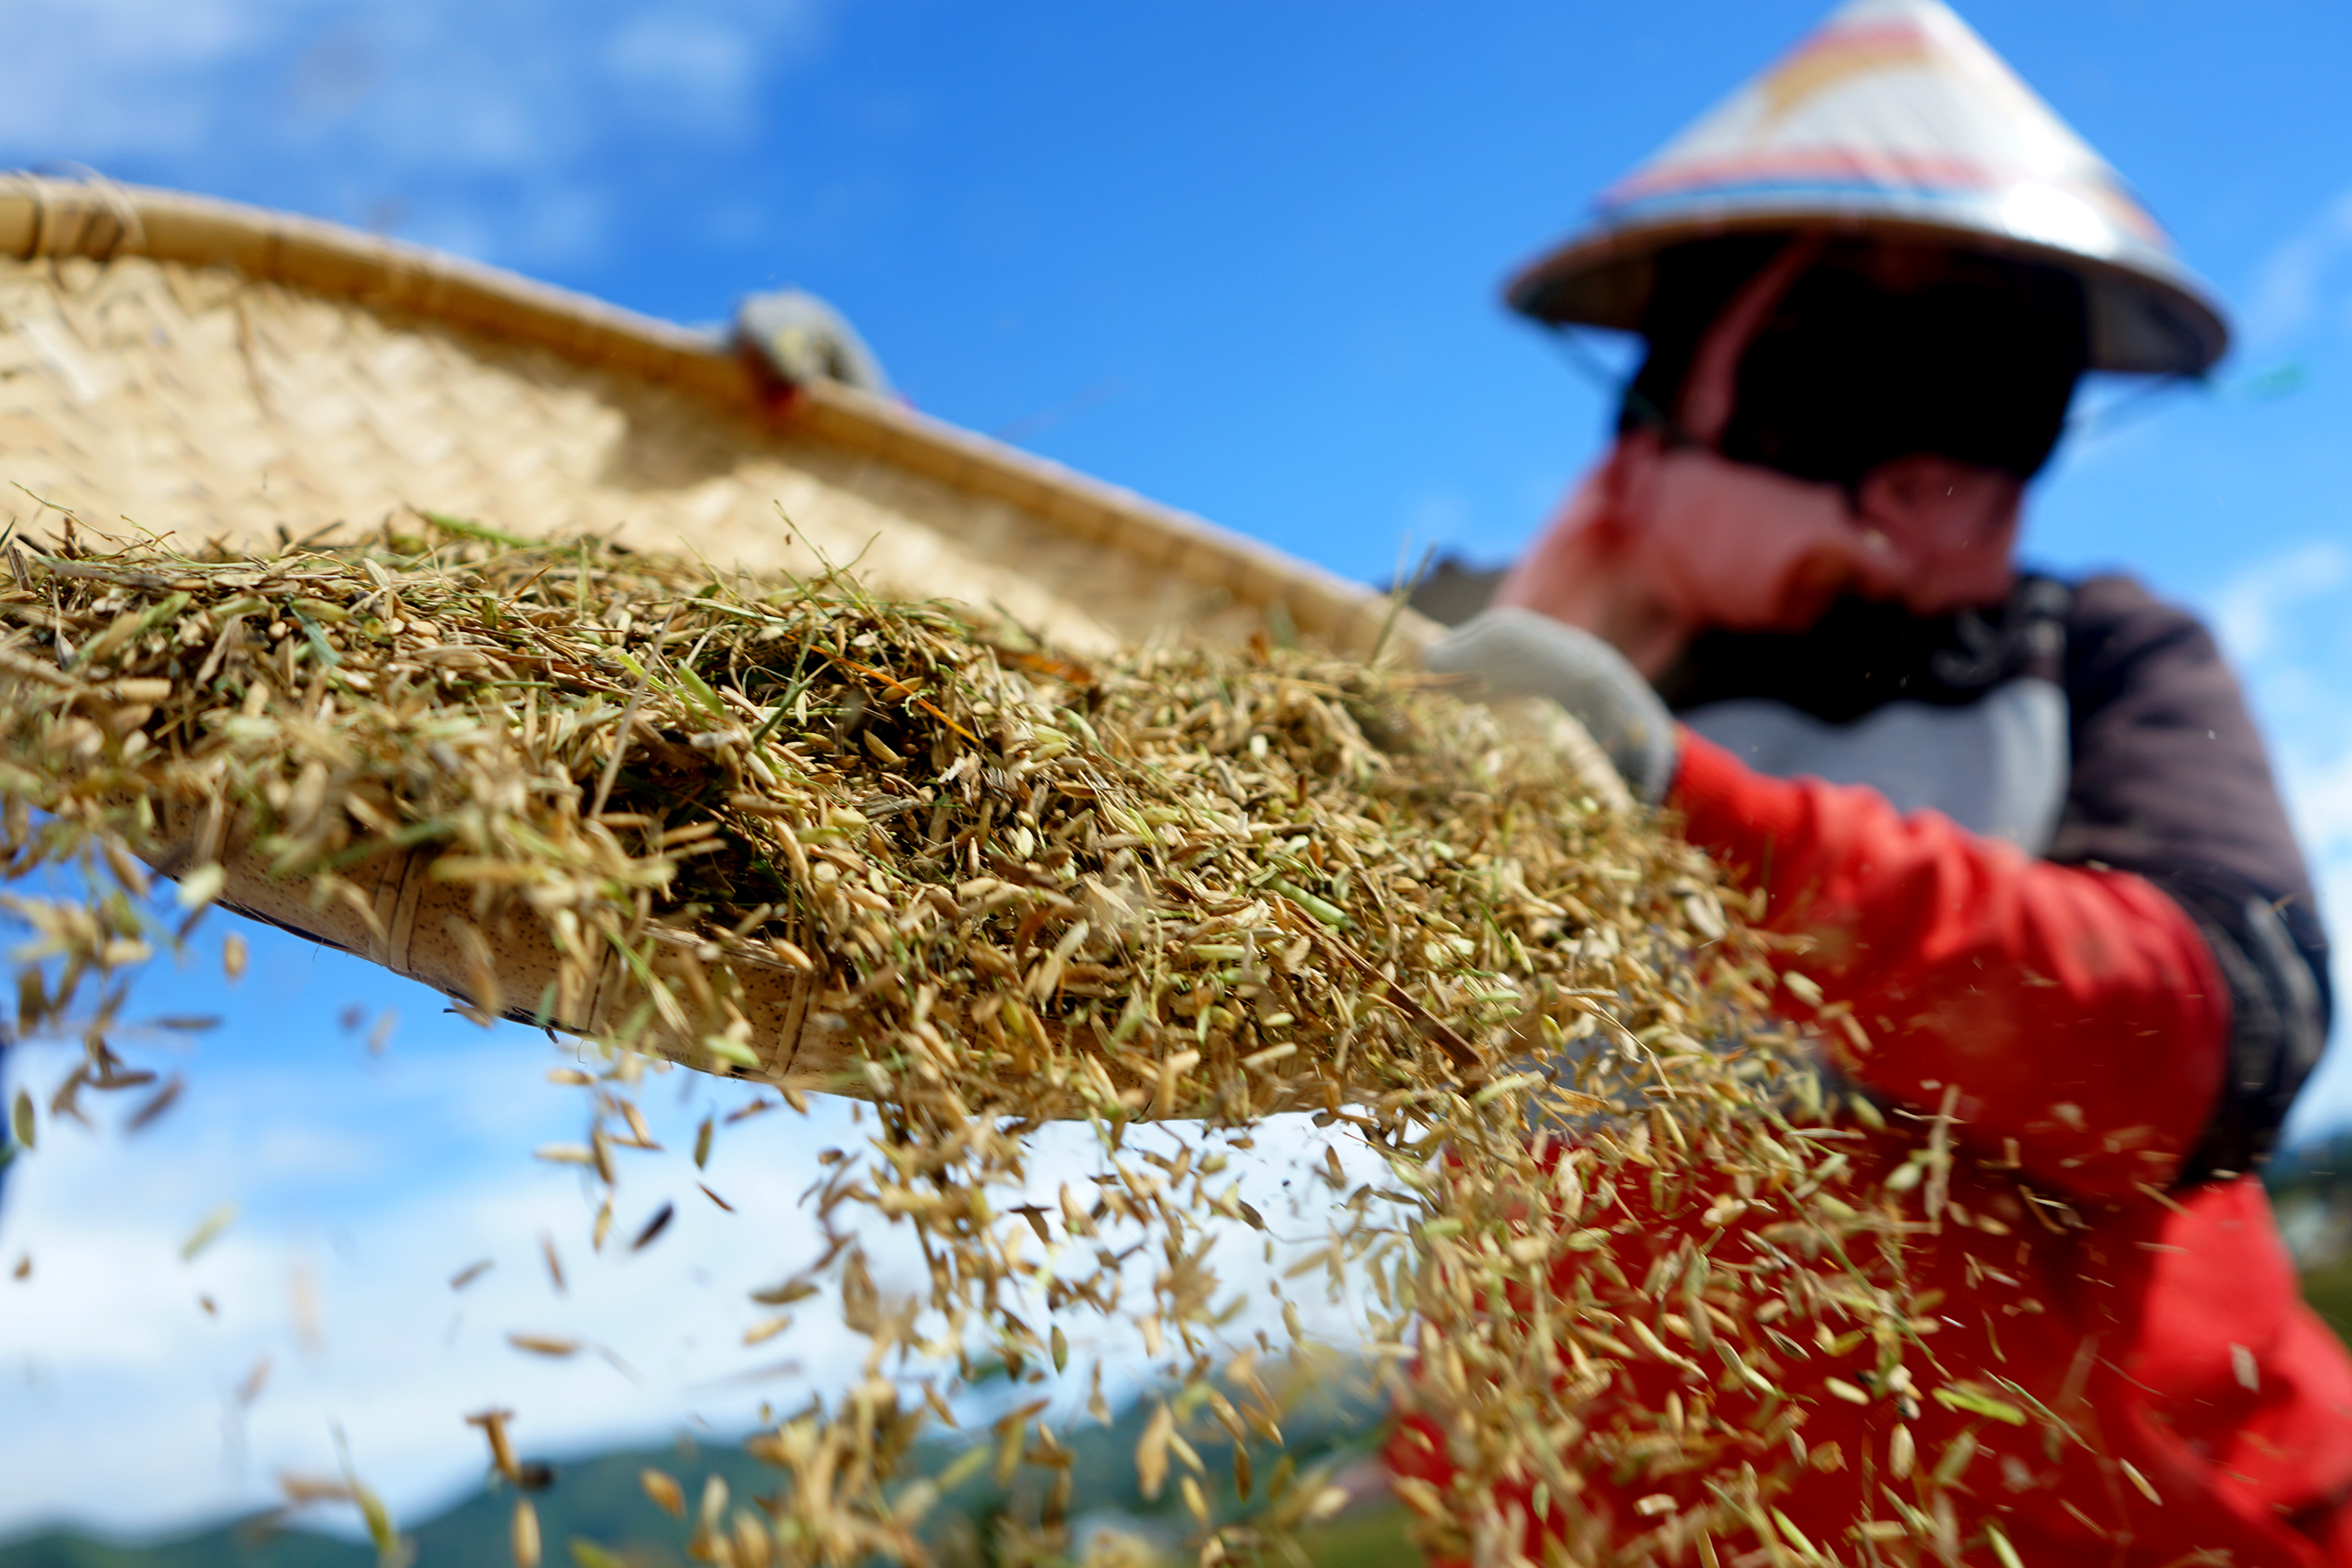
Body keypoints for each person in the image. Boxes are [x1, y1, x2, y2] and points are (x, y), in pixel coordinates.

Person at [1393, 2, 2350, 1561]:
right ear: (1691, 371)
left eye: (1991, 381)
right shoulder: (1484, 683)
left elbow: (2219, 1044)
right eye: (1851, 365)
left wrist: (1695, 821)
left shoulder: (2091, 655)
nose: (1922, 456)